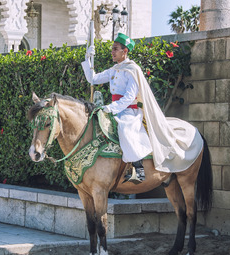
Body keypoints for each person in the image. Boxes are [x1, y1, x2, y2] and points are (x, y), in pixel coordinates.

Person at [81, 33, 203, 183]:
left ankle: (137, 168)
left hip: (128, 110)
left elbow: (129, 97)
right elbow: (93, 79)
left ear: (124, 51)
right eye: (112, 49)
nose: (112, 52)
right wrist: (87, 58)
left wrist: (111, 108)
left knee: (126, 128)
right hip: (114, 108)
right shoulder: (114, 69)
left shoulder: (132, 70)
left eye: (115, 49)